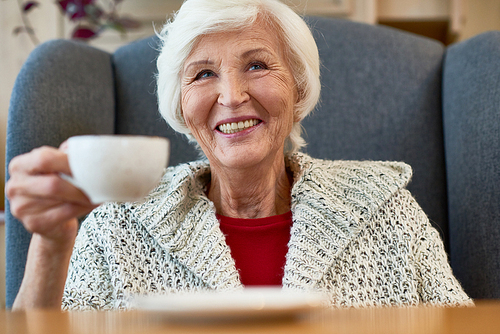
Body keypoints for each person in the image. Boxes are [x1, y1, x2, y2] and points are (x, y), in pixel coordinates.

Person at [6, 0, 472, 310]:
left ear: (298, 87)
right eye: (204, 73)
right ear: (181, 106)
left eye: (256, 64)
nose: (231, 95)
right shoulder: (115, 222)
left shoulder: (385, 208)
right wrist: (51, 243)